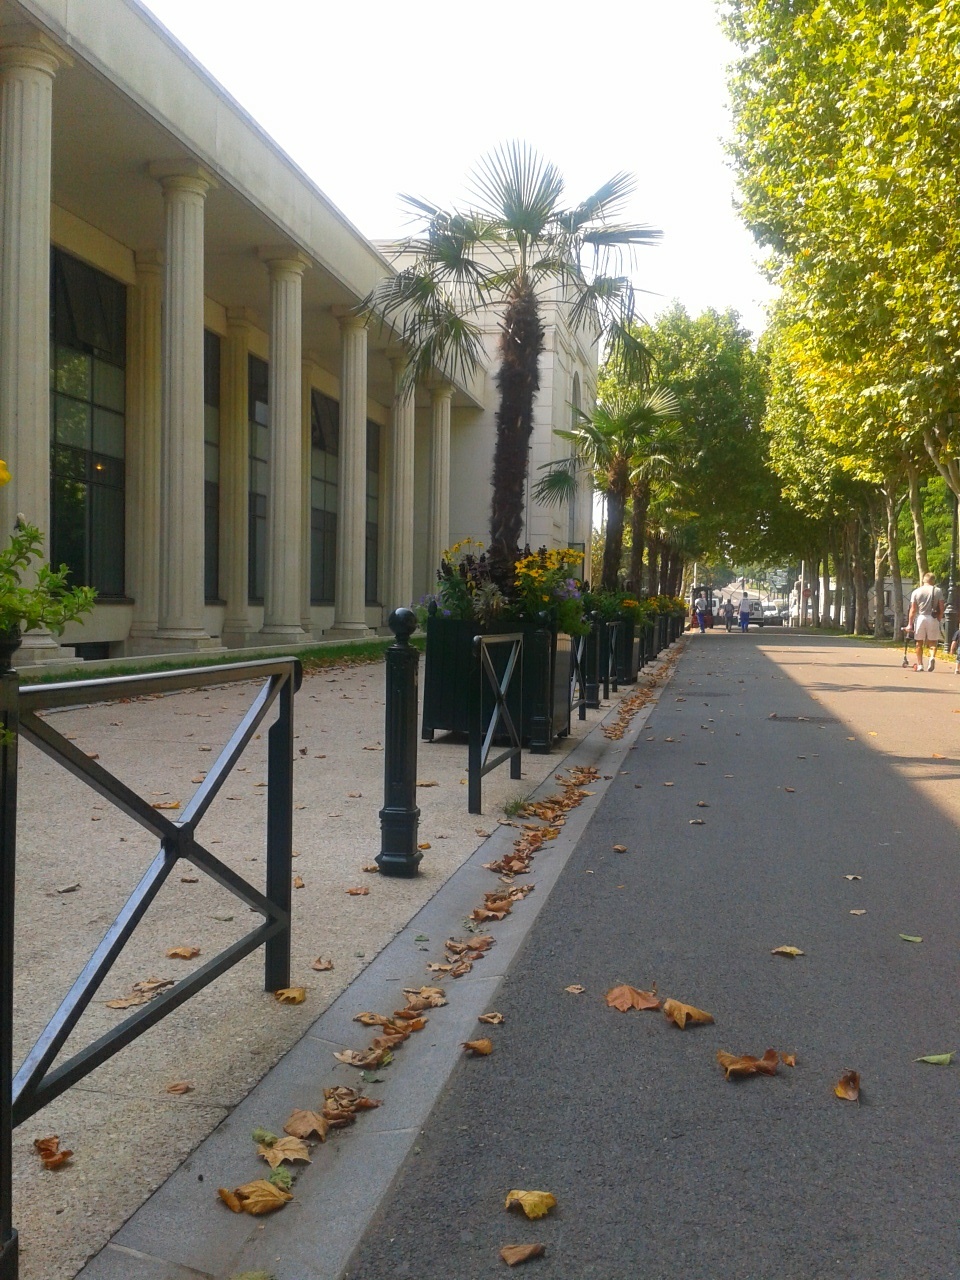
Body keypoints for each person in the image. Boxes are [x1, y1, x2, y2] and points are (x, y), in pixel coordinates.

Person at [907, 571, 944, 671]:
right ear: (933, 580)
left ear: (924, 580)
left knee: (919, 642)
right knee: (933, 642)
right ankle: (931, 657)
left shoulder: (916, 591)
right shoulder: (938, 591)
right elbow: (941, 607)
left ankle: (920, 665)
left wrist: (910, 624)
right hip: (933, 618)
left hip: (921, 617)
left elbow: (913, 609)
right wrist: (939, 618)